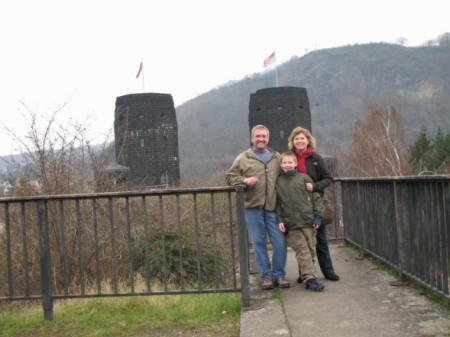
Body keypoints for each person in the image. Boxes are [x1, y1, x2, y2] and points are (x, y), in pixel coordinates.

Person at [225, 125, 289, 290]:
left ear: (268, 138)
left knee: (280, 241)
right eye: (258, 136)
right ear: (252, 138)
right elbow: (230, 177)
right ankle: (266, 276)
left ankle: (279, 274)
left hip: (274, 208)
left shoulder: (277, 157)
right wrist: (245, 181)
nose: (261, 139)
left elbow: (288, 173)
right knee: (259, 243)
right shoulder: (243, 158)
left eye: (264, 136)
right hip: (252, 207)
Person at [287, 126, 340, 282]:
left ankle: (328, 271)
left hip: (316, 203)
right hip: (298, 205)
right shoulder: (290, 159)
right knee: (302, 242)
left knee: (321, 239)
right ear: (292, 141)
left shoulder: (316, 158)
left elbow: (328, 178)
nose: (300, 141)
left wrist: (315, 187)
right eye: (296, 138)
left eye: (302, 138)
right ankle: (305, 274)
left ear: (308, 140)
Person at [276, 151, 325, 291]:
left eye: (290, 162)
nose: (287, 165)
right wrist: (280, 219)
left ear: (295, 164)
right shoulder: (279, 182)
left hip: (308, 220)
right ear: (281, 164)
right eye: (284, 162)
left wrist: (318, 216)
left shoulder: (304, 178)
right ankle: (310, 278)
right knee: (302, 250)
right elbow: (278, 203)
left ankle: (306, 273)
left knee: (311, 249)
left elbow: (315, 198)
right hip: (291, 223)